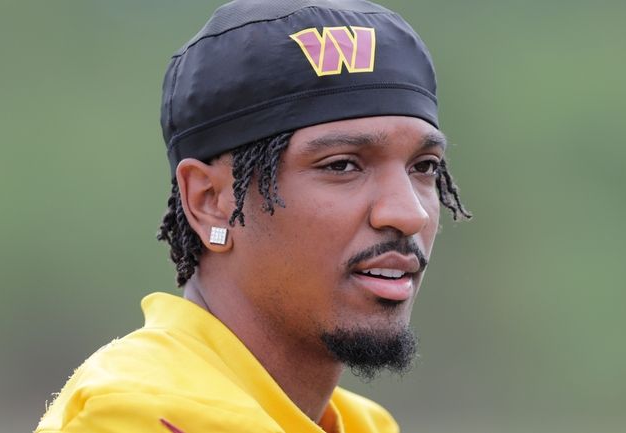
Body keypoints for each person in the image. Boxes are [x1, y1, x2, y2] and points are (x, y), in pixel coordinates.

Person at [36, 0, 471, 432]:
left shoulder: (364, 424)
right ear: (210, 200)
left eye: (424, 167)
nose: (409, 213)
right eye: (341, 165)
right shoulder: (143, 416)